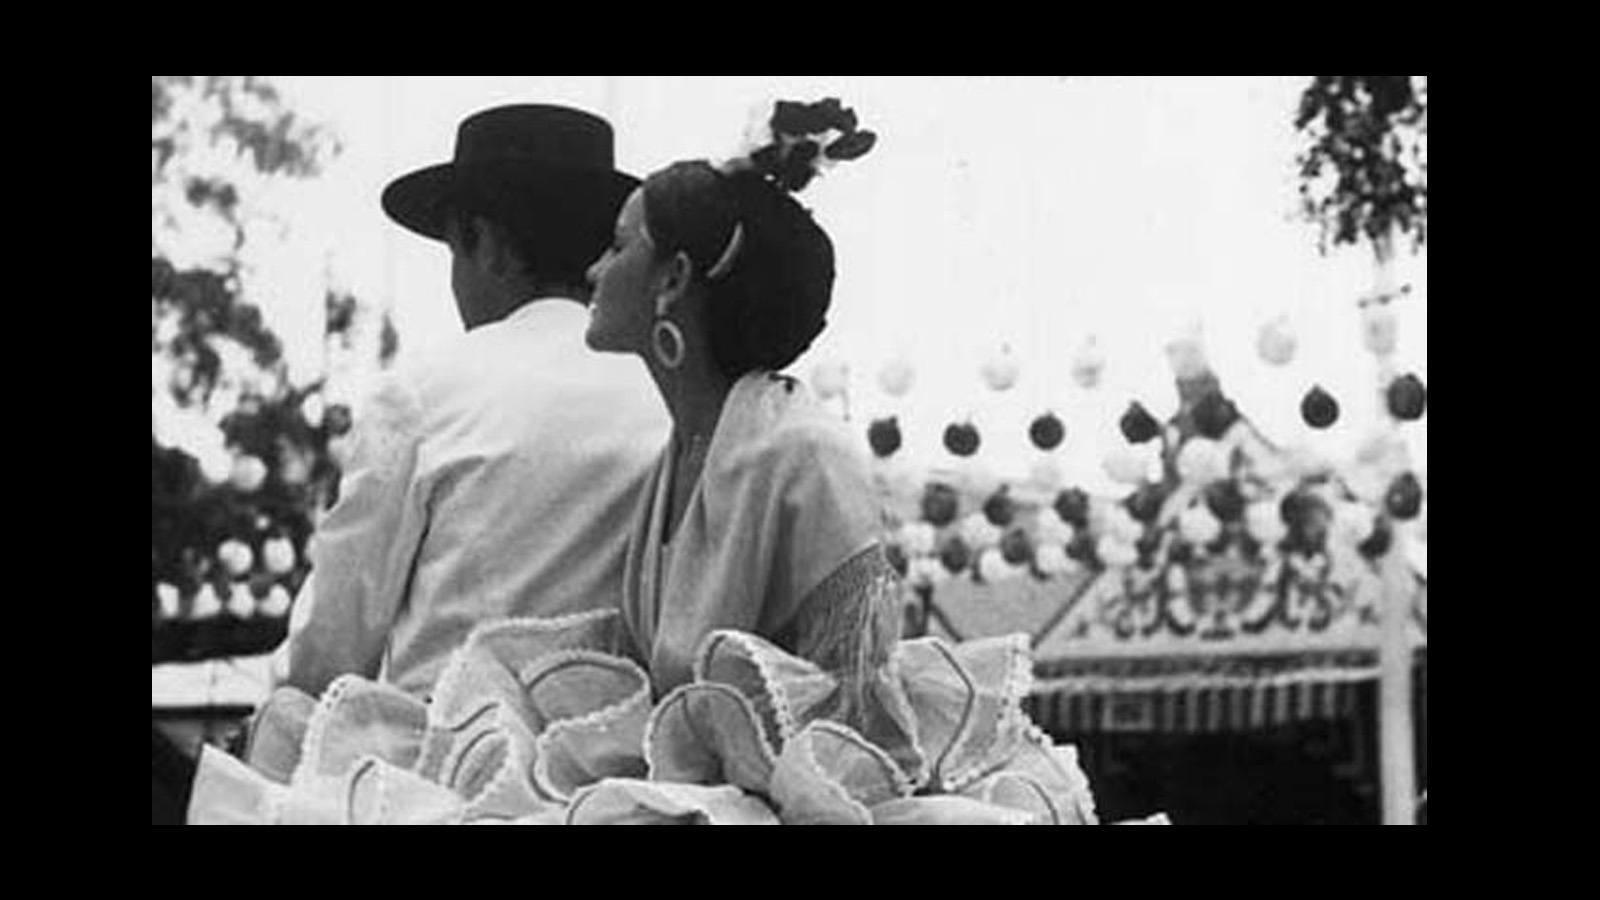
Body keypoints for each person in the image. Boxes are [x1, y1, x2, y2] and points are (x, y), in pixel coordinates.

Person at [279, 104, 670, 700]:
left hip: (438, 772)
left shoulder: (422, 391)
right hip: (626, 773)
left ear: (484, 242)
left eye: (454, 251)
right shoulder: (669, 392)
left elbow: (332, 645)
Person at [583, 99, 897, 713]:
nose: (594, 271)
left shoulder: (807, 455)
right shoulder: (675, 458)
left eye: (618, 247)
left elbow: (859, 707)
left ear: (672, 279)